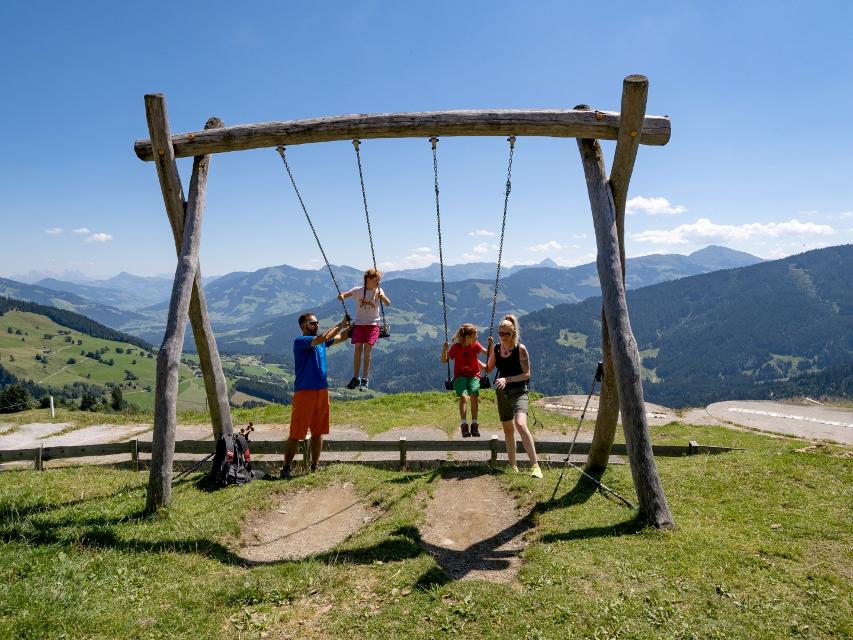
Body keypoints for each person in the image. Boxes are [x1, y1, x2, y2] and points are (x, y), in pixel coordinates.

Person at [280, 312, 350, 479]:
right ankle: (286, 468)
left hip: (322, 390)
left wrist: (360, 326)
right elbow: (323, 337)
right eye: (312, 323)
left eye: (317, 323)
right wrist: (341, 324)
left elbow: (342, 337)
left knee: (318, 432)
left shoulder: (321, 343)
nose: (316, 325)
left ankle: (314, 466)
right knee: (297, 433)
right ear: (303, 326)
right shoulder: (301, 341)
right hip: (305, 392)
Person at [484, 314, 543, 478]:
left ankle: (535, 466)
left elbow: (527, 374)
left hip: (518, 391)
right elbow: (488, 369)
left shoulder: (520, 349)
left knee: (520, 424)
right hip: (502, 393)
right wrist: (469, 357)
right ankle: (513, 466)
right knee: (508, 429)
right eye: (500, 333)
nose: (503, 337)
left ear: (514, 333)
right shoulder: (496, 348)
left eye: (506, 334)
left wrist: (507, 379)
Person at [338, 268, 391, 390]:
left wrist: (381, 296)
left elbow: (388, 303)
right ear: (368, 279)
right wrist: (341, 296)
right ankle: (356, 378)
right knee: (358, 349)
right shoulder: (358, 291)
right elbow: (344, 295)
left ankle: (365, 379)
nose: (378, 282)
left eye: (379, 280)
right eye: (376, 280)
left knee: (367, 350)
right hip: (359, 324)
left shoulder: (378, 291)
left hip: (373, 325)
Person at [442, 323, 491, 437]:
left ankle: (474, 424)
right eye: (475, 335)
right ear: (468, 337)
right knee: (464, 396)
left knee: (474, 394)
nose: (477, 337)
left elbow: (488, 353)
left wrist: (490, 344)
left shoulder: (475, 345)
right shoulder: (456, 347)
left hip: (474, 375)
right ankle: (464, 425)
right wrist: (445, 349)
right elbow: (445, 360)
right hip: (460, 376)